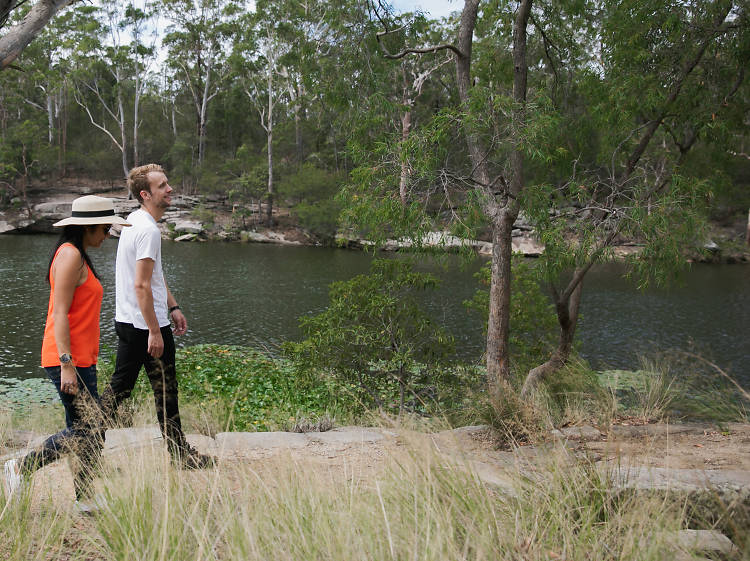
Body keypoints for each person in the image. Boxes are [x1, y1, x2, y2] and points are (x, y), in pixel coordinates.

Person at [3, 195, 130, 511]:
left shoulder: (78, 254)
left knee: (88, 429)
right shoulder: (71, 256)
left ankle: (85, 497)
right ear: (90, 227)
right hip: (67, 358)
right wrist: (67, 364)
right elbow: (59, 313)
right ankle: (21, 467)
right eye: (105, 228)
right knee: (87, 429)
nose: (107, 234)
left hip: (81, 357)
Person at [100, 164, 213, 469]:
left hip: (131, 320)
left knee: (125, 390)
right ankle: (83, 443)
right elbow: (140, 285)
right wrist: (154, 330)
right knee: (157, 391)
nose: (170, 189)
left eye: (167, 183)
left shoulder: (135, 221)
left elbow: (152, 276)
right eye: (162, 186)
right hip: (144, 326)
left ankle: (87, 446)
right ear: (145, 194)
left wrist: (172, 307)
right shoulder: (147, 229)